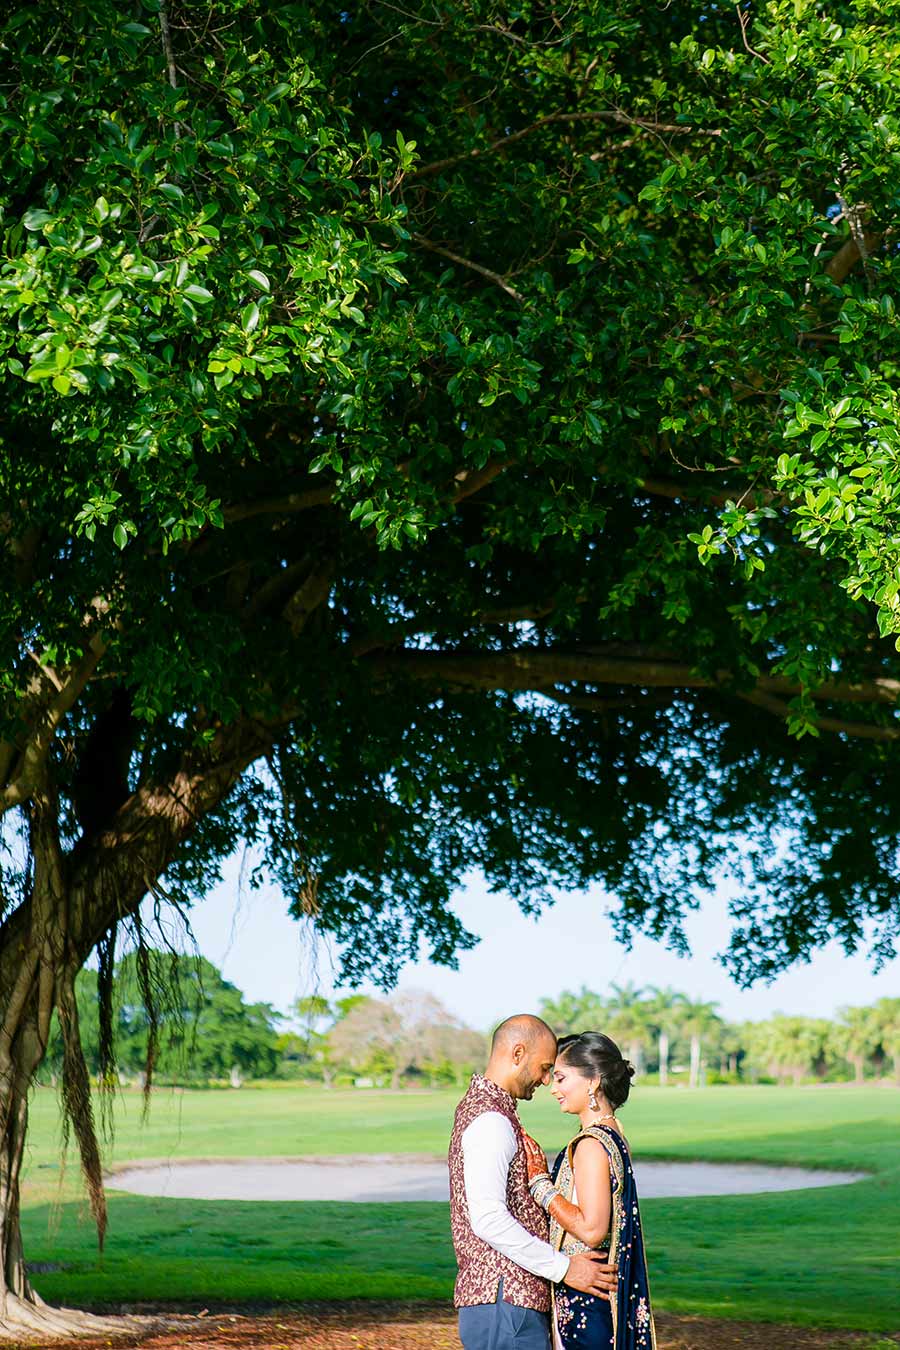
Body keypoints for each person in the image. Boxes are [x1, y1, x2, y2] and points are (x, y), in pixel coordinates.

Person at [449, 1014, 618, 1350]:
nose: (545, 1082)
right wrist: (565, 1268)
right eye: (543, 1068)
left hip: (509, 1302)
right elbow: (489, 1219)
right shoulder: (491, 1120)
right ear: (516, 1054)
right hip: (504, 1302)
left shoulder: (492, 1112)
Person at [521, 1031, 656, 1350]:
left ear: (593, 1081)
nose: (553, 1088)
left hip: (587, 1295)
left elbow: (593, 1229)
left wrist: (540, 1186)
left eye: (561, 1078)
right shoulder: (614, 1133)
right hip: (598, 1290)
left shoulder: (591, 1146)